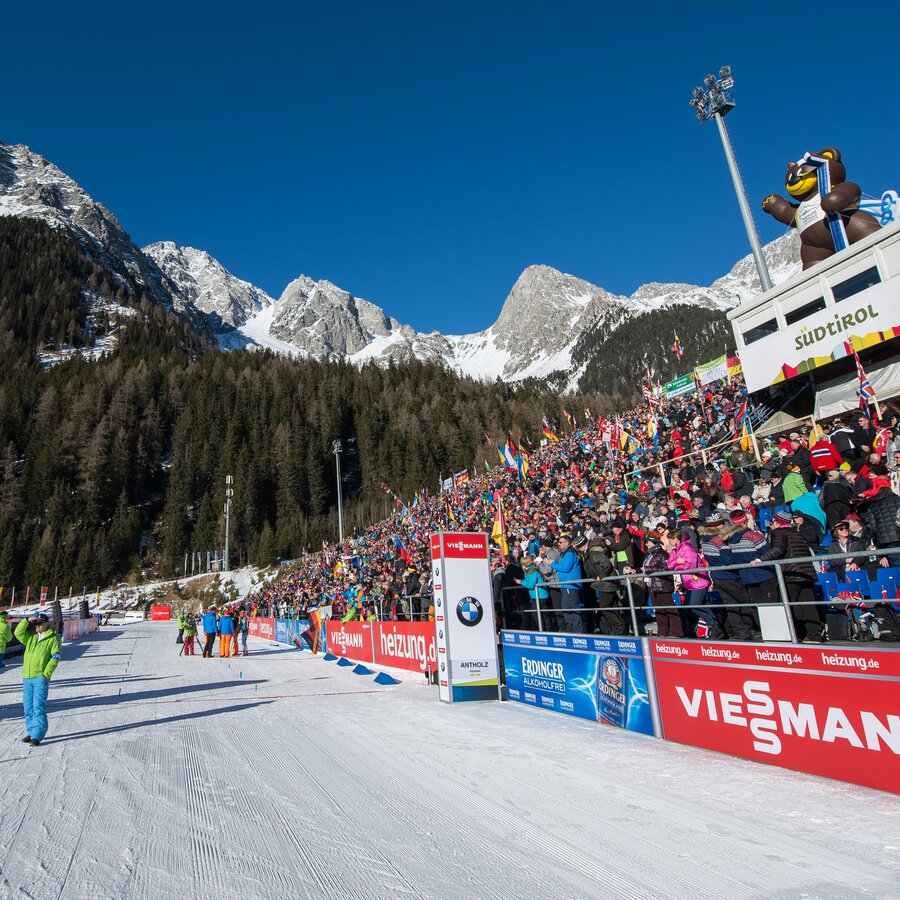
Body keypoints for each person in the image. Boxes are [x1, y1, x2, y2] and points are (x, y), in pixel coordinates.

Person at [751, 509, 822, 642]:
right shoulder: (797, 532)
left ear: (778, 522)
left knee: (791, 604)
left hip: (791, 573)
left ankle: (797, 634)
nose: (771, 524)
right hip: (806, 571)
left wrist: (760, 560)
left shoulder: (778, 532)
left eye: (773, 522)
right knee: (808, 605)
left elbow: (777, 549)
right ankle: (814, 635)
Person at [14, 614, 61, 746]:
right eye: (36, 624)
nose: (37, 626)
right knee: (28, 707)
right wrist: (26, 620)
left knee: (38, 706)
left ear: (47, 624)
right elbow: (18, 632)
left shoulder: (53, 638)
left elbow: (55, 657)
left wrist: (46, 675)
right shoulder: (31, 638)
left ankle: (38, 735)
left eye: (40, 624)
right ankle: (31, 731)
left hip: (40, 678)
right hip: (27, 677)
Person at [645, 531, 682, 638]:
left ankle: (676, 632)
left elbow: (666, 568)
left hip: (662, 585)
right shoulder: (650, 555)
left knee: (670, 609)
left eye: (647, 542)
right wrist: (636, 570)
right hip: (652, 586)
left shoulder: (662, 553)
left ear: (653, 542)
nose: (646, 544)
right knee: (659, 610)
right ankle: (662, 632)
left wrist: (647, 569)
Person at [550, 534, 584, 633]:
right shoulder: (564, 553)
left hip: (571, 585)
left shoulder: (569, 554)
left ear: (567, 543)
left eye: (560, 542)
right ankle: (570, 629)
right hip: (566, 584)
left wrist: (552, 563)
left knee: (572, 608)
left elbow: (565, 568)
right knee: (566, 609)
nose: (559, 544)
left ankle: (577, 631)